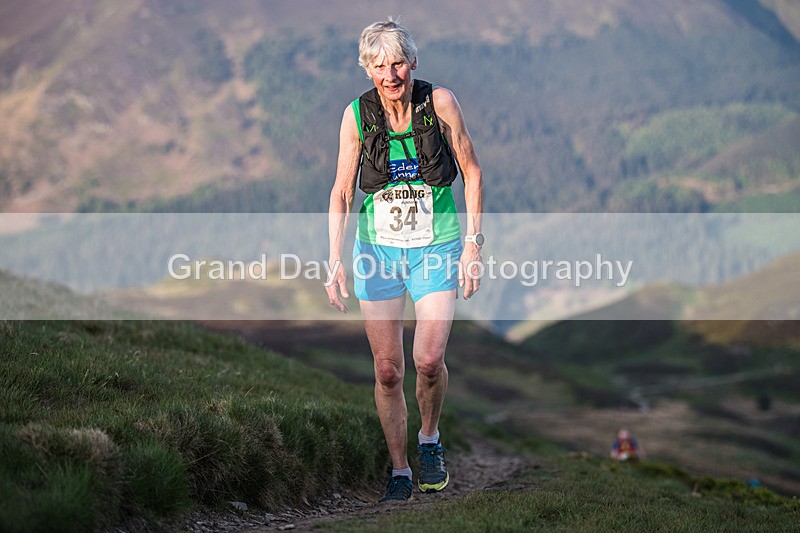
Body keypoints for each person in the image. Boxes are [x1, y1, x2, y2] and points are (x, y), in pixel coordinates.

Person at [325, 18, 484, 502]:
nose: (389, 74)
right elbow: (342, 191)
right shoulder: (357, 116)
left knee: (429, 360)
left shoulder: (440, 103)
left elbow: (472, 171)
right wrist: (334, 259)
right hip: (378, 253)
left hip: (437, 247)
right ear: (367, 69)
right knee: (389, 370)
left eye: (397, 62)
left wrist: (474, 244)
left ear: (412, 62)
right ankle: (399, 471)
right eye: (378, 65)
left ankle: (429, 440)